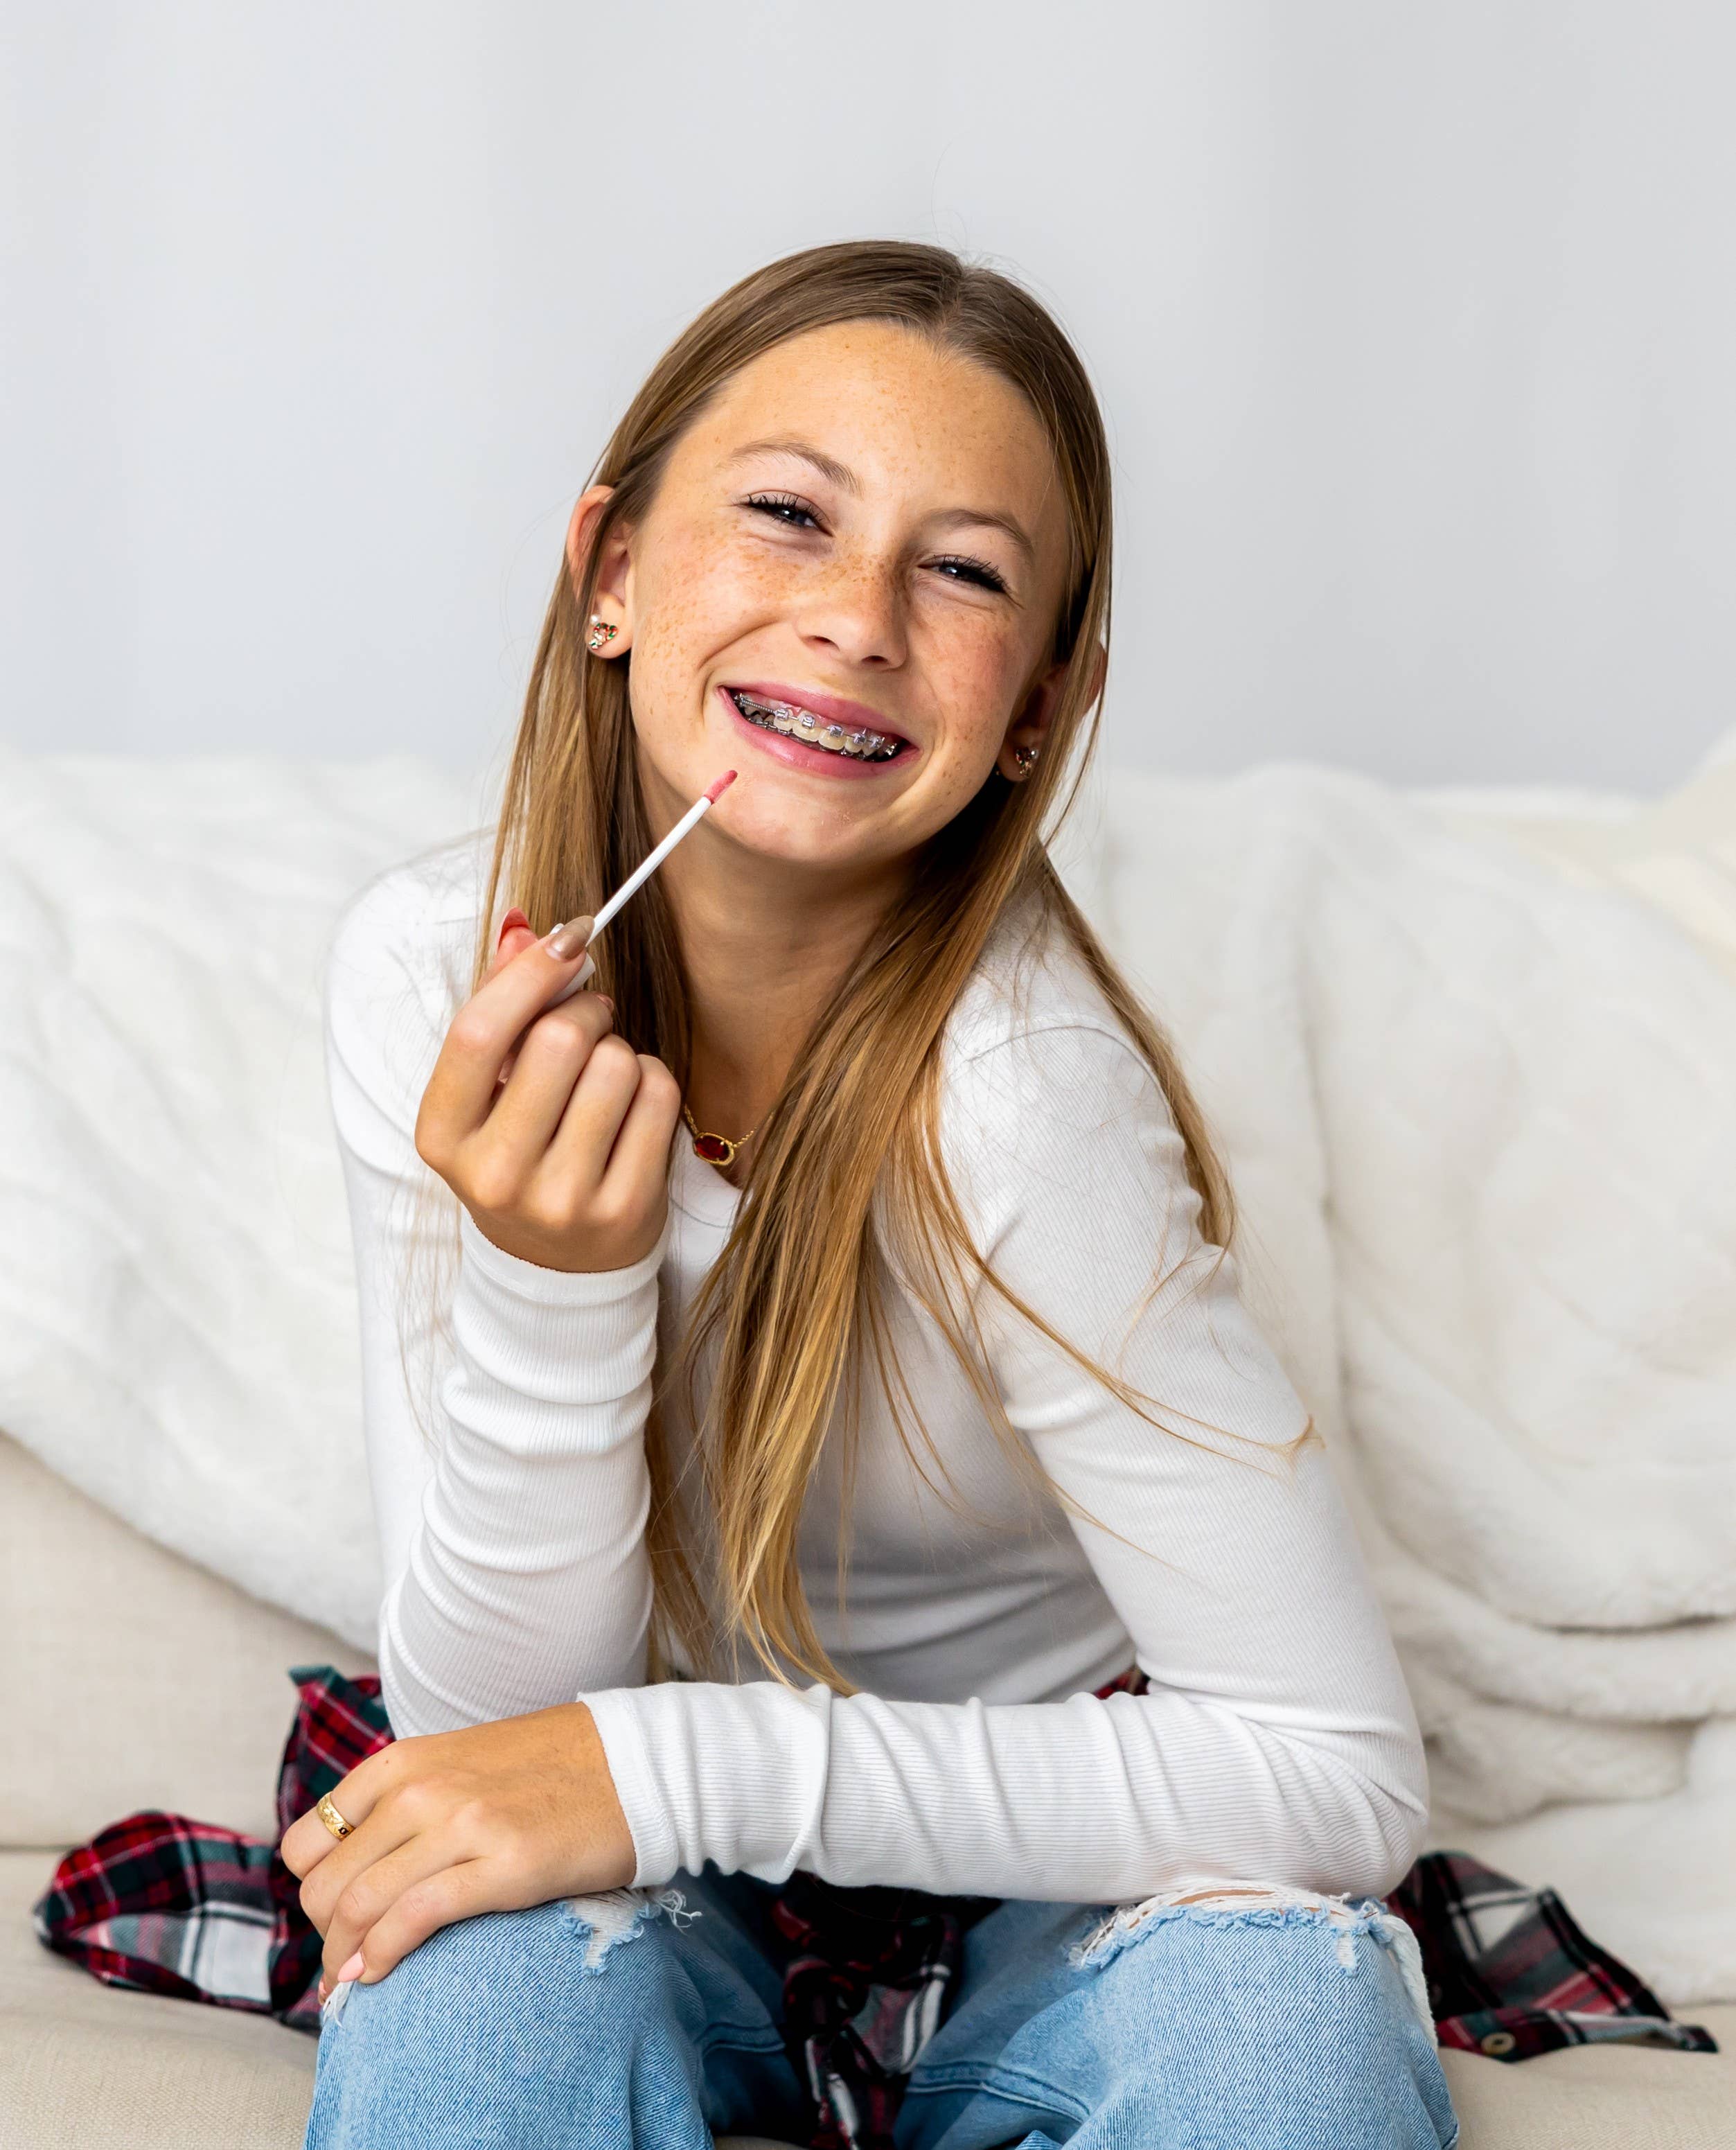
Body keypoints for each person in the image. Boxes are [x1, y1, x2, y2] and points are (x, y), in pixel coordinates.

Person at [283, 240, 1457, 2150]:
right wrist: (550, 1289)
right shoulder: (431, 974)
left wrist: (679, 1769)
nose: (854, 620)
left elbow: (1336, 1774)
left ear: (1038, 708)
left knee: (1282, 2034)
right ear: (609, 572)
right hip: (627, 1829)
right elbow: (500, 1729)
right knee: (476, 1999)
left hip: (1053, 1843)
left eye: (963, 570)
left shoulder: (1025, 1098)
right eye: (786, 515)